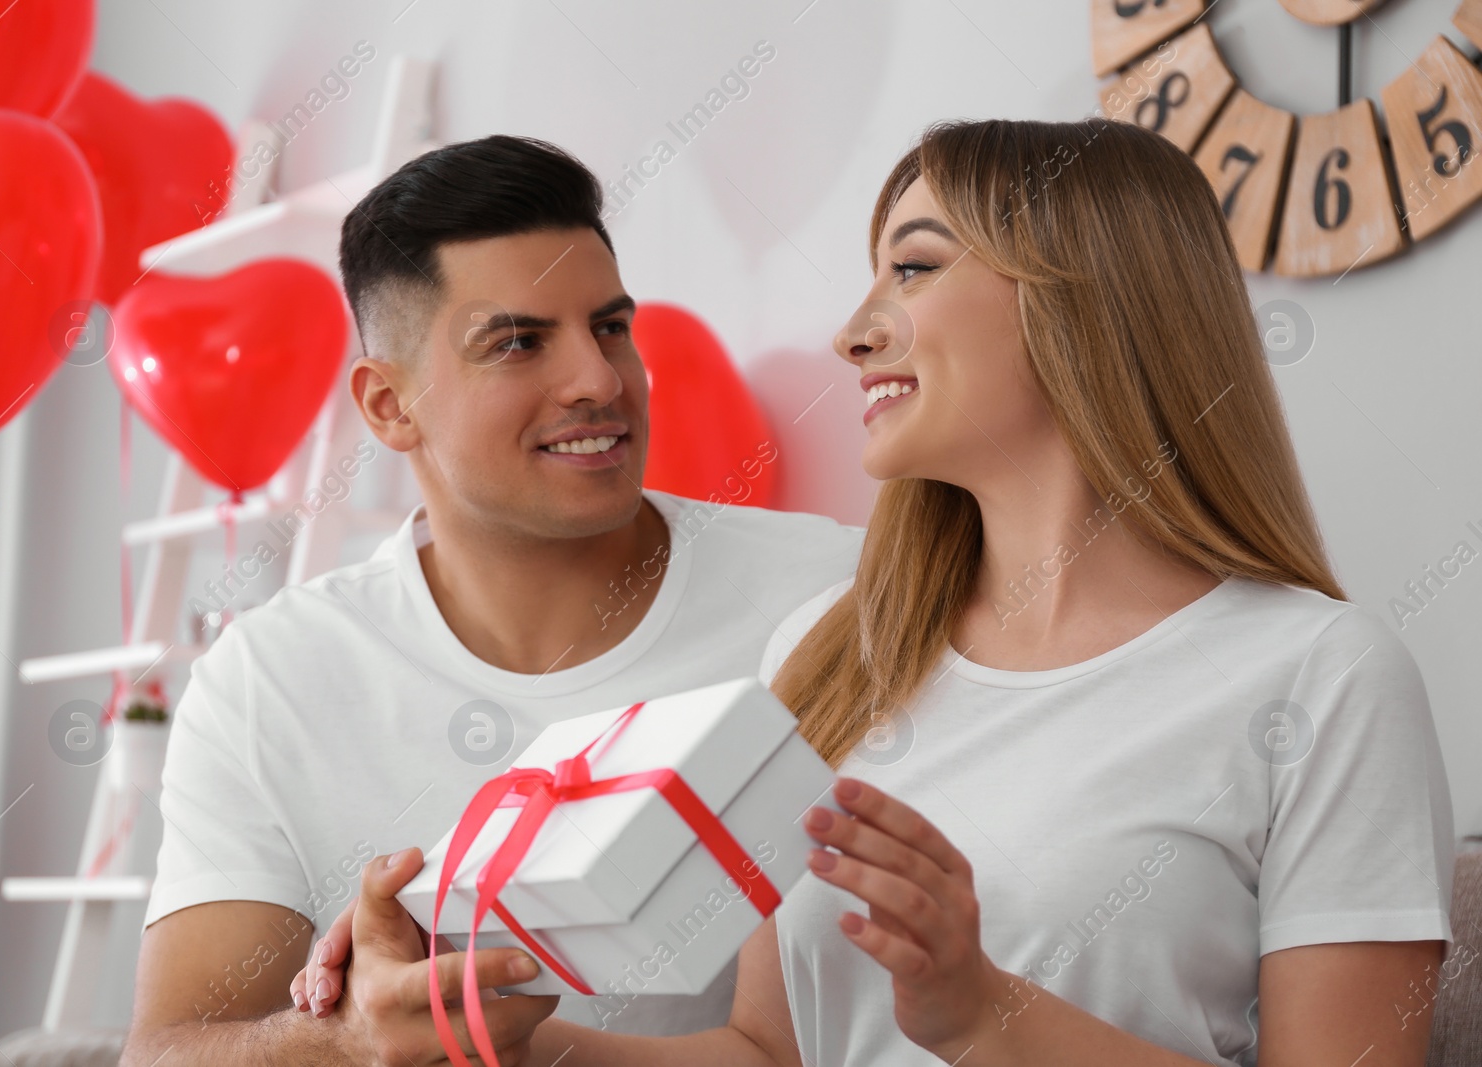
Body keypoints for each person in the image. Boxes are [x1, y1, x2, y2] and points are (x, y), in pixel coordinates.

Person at [301, 116, 1455, 1067]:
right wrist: (485, 1022)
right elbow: (765, 1051)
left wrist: (981, 1011)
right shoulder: (830, 651)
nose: (854, 333)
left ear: (1088, 299)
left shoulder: (1318, 676)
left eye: (911, 266)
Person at [118, 134, 864, 1066]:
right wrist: (348, 1043)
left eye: (610, 326)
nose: (599, 380)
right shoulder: (272, 678)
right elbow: (166, 1050)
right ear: (389, 407)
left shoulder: (835, 596)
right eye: (517, 342)